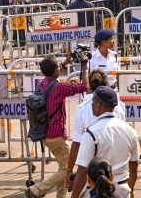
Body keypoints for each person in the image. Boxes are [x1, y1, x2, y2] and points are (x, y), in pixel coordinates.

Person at [25, 55, 88, 198]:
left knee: (63, 168)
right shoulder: (59, 87)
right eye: (59, 67)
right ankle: (37, 190)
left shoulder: (42, 83)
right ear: (55, 71)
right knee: (67, 169)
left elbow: (53, 73)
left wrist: (65, 63)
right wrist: (84, 67)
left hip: (44, 133)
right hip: (56, 136)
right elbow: (85, 86)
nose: (61, 68)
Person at [71, 87, 138, 198]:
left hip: (95, 192)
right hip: (122, 190)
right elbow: (133, 167)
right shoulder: (131, 131)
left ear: (98, 105)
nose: (91, 105)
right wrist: (130, 190)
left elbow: (82, 171)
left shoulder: (91, 133)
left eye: (92, 102)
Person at [67, 68, 126, 190]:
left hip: (91, 169)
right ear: (107, 84)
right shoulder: (119, 105)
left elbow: (76, 143)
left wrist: (69, 169)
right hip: (116, 167)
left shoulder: (82, 108)